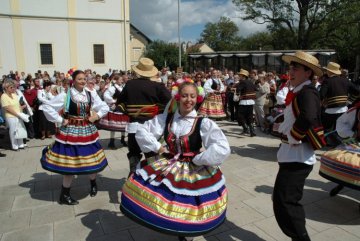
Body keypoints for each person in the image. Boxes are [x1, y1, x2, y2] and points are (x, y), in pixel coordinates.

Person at [120, 81, 230, 241]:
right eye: (184, 95)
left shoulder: (203, 122)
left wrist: (200, 159)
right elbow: (142, 130)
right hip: (168, 163)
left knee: (189, 204)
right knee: (165, 198)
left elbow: (222, 147)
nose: (188, 100)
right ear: (177, 97)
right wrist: (158, 147)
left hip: (194, 169)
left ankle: (185, 235)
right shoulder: (167, 118)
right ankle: (173, 228)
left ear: (197, 98)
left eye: (192, 96)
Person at [274, 51, 326, 241]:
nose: (291, 71)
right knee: (283, 201)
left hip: (298, 158)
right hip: (291, 156)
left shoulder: (307, 92)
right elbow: (298, 117)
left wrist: (294, 136)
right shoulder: (299, 91)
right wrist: (281, 127)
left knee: (286, 203)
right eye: (290, 67)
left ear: (308, 73)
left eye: (296, 68)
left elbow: (309, 116)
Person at [40, 70, 109, 205]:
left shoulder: (90, 94)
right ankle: (64, 195)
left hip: (87, 131)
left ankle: (93, 184)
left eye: (84, 79)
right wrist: (60, 119)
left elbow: (104, 106)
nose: (83, 81)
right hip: (70, 132)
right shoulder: (65, 95)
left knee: (92, 159)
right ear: (73, 80)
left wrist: (96, 116)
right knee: (69, 164)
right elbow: (46, 107)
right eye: (80, 79)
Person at [116, 57, 171, 176]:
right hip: (152, 128)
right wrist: (156, 109)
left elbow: (119, 103)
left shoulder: (129, 84)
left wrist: (131, 112)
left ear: (138, 71)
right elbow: (170, 102)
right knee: (152, 155)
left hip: (133, 126)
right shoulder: (158, 86)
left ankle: (132, 177)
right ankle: (151, 181)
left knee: (134, 154)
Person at [320, 62, 359, 146]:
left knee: (329, 129)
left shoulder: (327, 81)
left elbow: (321, 95)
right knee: (342, 128)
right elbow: (357, 91)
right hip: (344, 110)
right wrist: (349, 101)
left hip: (330, 110)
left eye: (327, 70)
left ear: (330, 71)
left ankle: (331, 144)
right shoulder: (345, 80)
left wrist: (322, 103)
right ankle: (343, 143)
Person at [99, 75, 129, 149]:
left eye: (122, 79)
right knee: (113, 125)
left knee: (123, 124)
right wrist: (113, 101)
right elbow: (106, 95)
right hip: (115, 109)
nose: (122, 80)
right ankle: (111, 142)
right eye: (120, 79)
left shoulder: (122, 87)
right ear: (115, 80)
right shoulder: (113, 88)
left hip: (123, 108)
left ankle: (122, 139)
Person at [0, 80, 29, 151]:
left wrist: (21, 111)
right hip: (11, 116)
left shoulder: (14, 95)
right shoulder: (4, 96)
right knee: (13, 131)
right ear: (6, 88)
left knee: (20, 129)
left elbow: (18, 105)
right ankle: (14, 145)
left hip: (19, 115)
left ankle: (21, 144)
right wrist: (17, 114)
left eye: (13, 87)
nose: (13, 89)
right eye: (11, 87)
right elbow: (7, 108)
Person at [235, 68, 257, 136]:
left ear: (244, 76)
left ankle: (245, 129)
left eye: (240, 75)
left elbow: (238, 89)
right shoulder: (250, 82)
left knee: (240, 116)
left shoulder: (242, 82)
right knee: (249, 116)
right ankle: (252, 131)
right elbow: (256, 88)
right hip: (251, 101)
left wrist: (237, 92)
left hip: (244, 101)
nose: (239, 76)